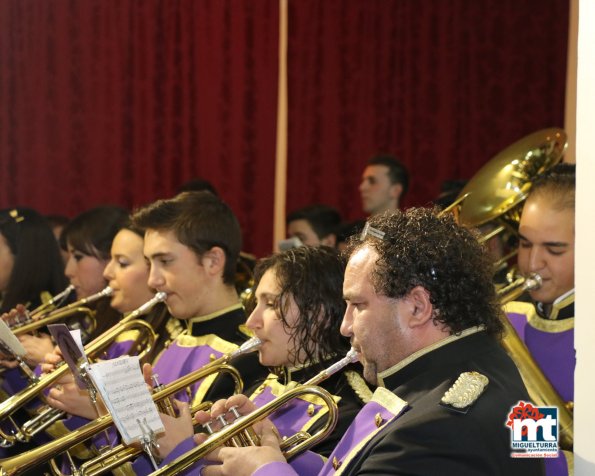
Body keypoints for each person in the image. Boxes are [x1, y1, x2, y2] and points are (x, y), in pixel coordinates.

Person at [195, 208, 542, 476]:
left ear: (417, 307)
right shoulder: (486, 361)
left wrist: (265, 471)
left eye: (357, 305)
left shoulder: (438, 424)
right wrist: (277, 451)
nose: (345, 326)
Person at [154, 247, 368, 474]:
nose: (251, 321)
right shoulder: (259, 385)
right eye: (256, 303)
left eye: (271, 304)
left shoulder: (347, 412)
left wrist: (181, 450)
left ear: (318, 315)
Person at [113, 191, 267, 474]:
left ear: (212, 262)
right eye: (149, 263)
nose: (153, 280)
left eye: (165, 261)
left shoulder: (247, 355)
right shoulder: (172, 338)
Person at [504, 163, 575, 476]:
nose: (533, 263)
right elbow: (533, 450)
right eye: (524, 243)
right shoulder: (512, 317)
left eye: (554, 250)